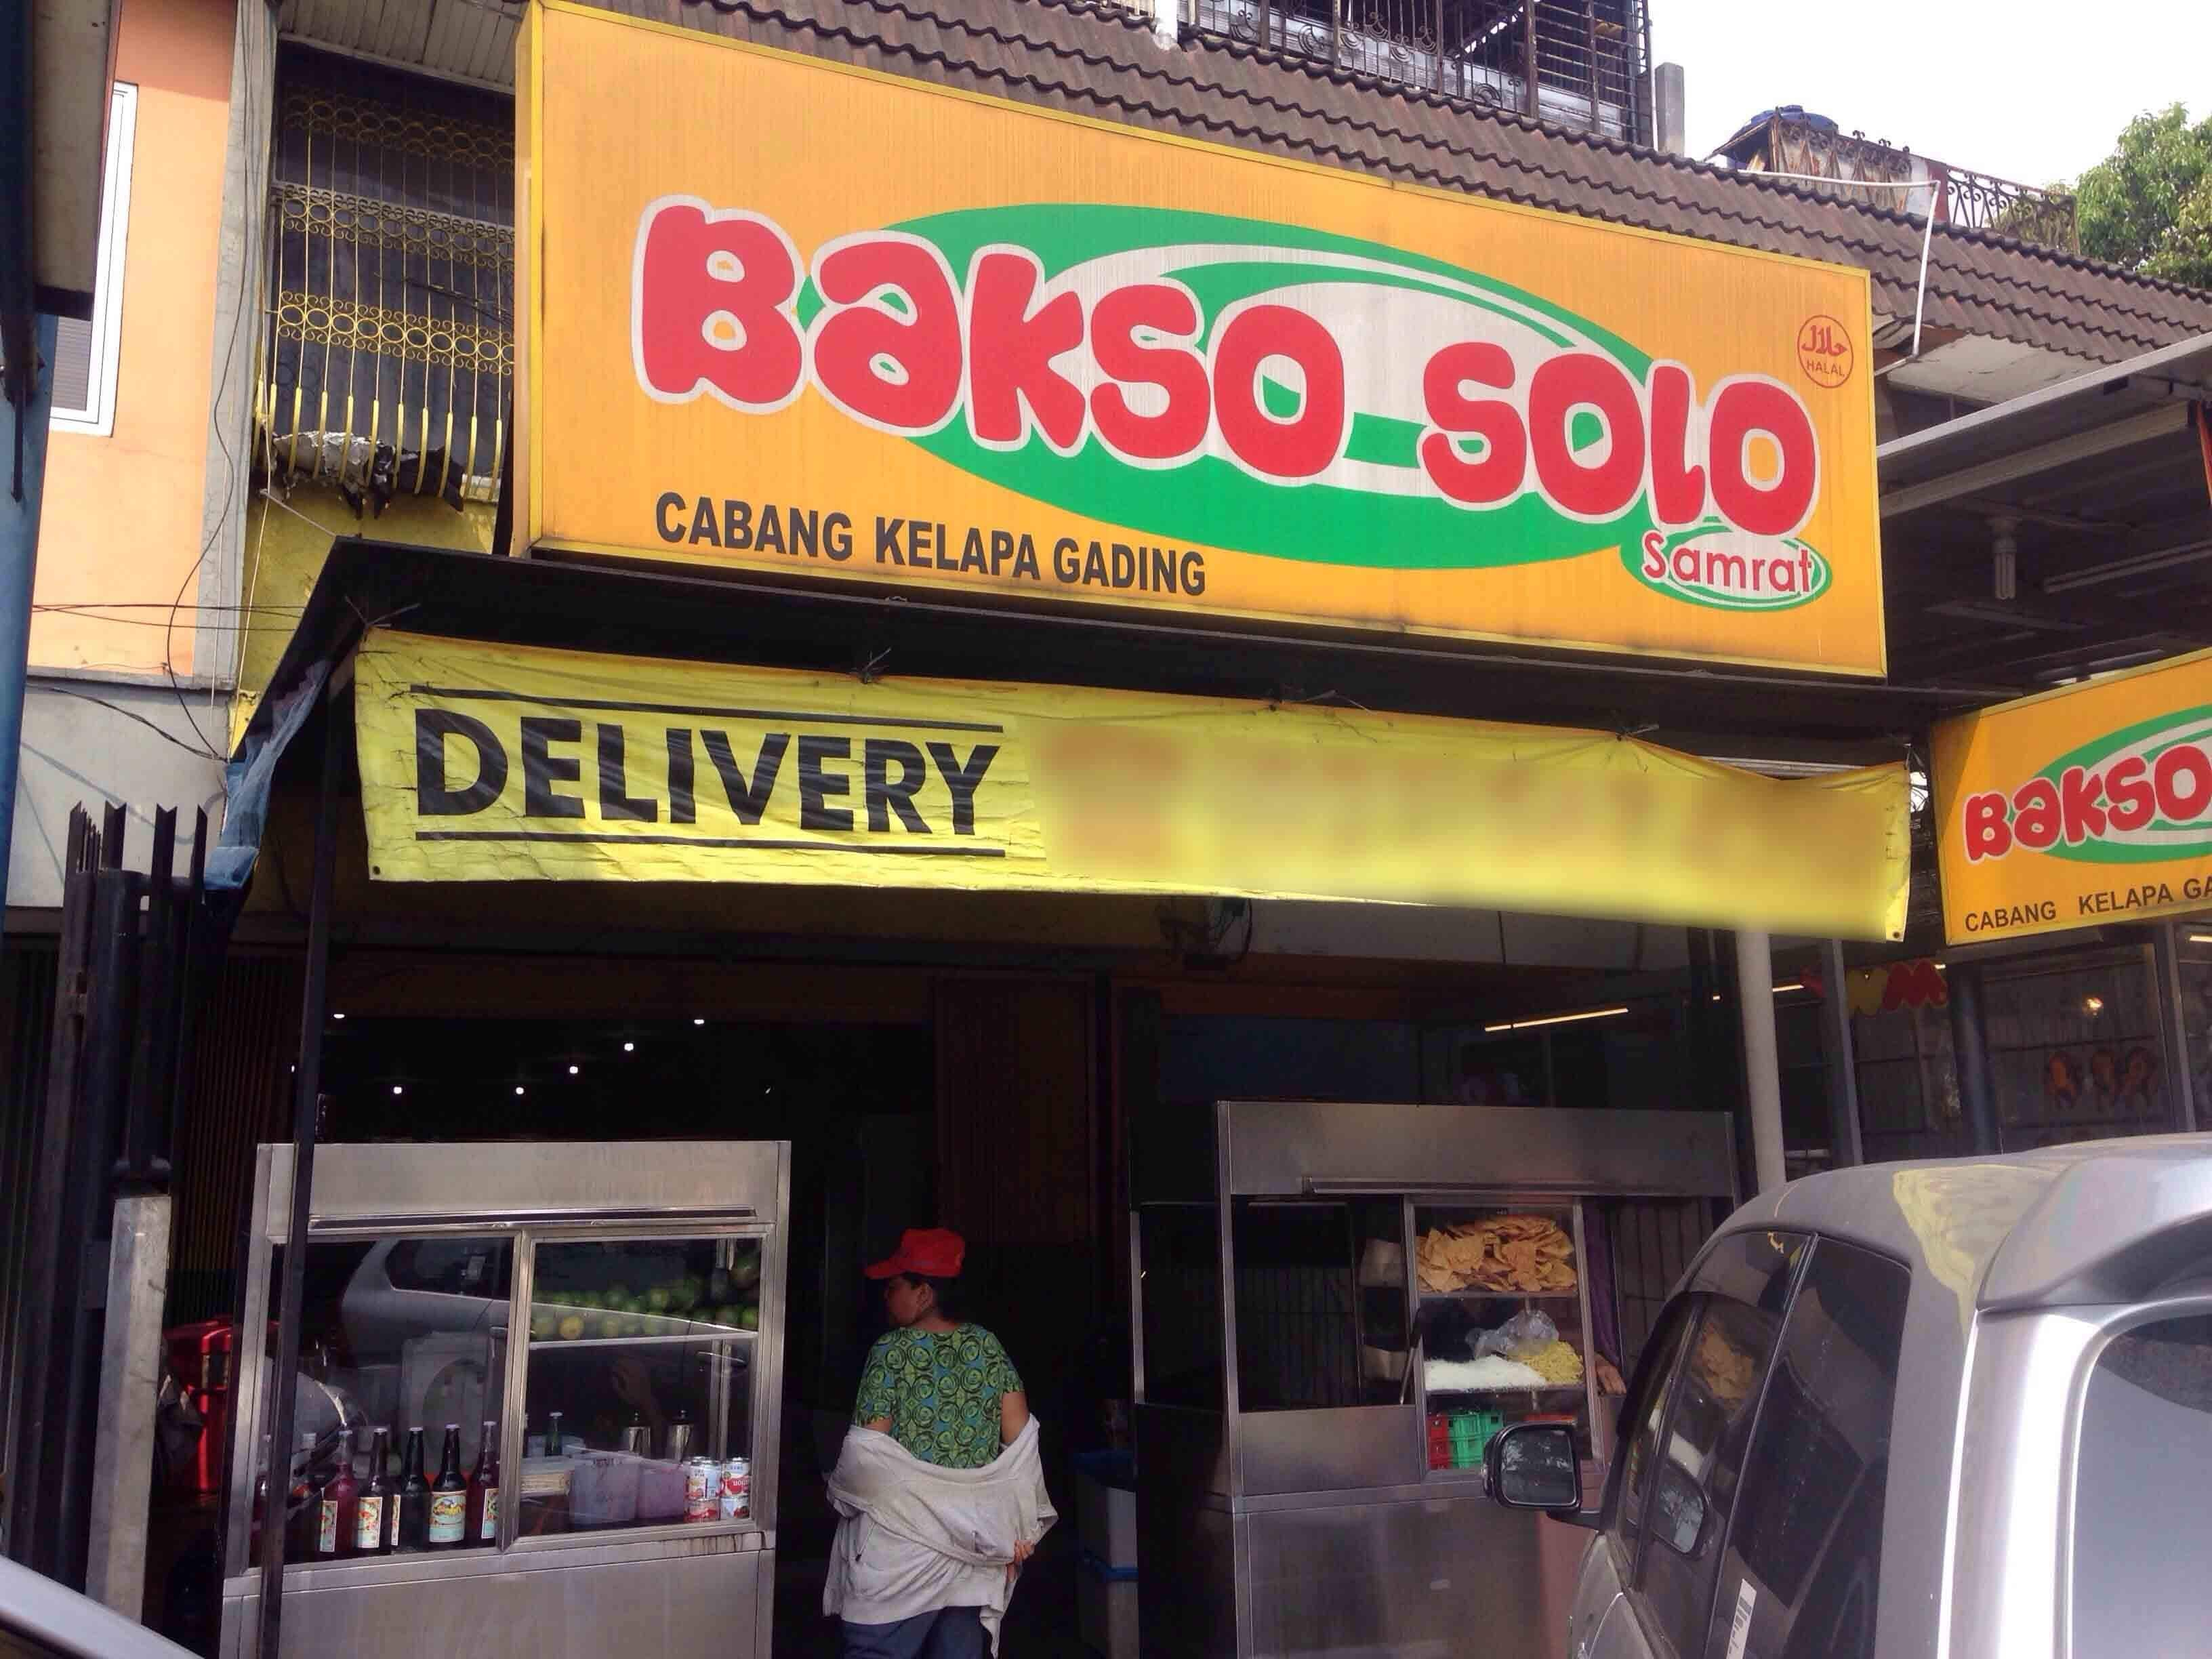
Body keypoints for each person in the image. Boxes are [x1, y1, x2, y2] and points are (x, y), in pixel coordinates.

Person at [825, 1227, 1053, 1658]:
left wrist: (836, 1488)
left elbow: (866, 1459)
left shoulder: (890, 1352)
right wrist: (1020, 1528)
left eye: (893, 1287)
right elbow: (1022, 1447)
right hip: (974, 1548)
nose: (885, 1297)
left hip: (900, 1551)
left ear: (924, 1292)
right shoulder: (988, 1348)